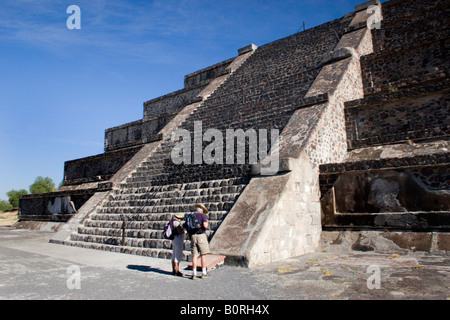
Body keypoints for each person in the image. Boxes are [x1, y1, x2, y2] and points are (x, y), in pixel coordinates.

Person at [189, 204, 211, 280]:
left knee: (194, 255)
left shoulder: (191, 216)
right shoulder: (202, 216)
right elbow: (205, 226)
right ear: (201, 210)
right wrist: (206, 222)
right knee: (203, 255)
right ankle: (204, 272)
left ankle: (194, 273)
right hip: (200, 235)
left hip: (192, 236)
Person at [171, 212, 185, 277]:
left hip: (174, 239)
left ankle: (173, 270)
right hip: (178, 239)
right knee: (177, 255)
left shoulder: (172, 221)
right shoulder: (176, 223)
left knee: (174, 255)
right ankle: (177, 270)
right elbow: (179, 231)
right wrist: (184, 231)